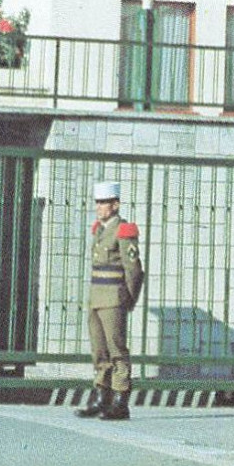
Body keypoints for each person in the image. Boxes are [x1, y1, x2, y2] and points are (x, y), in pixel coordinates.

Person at [76, 180, 145, 420]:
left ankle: (120, 400)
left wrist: (129, 299)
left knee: (116, 350)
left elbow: (134, 270)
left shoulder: (123, 230)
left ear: (115, 205)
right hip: (96, 297)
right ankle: (100, 396)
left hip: (114, 298)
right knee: (99, 351)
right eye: (97, 202)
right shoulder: (99, 230)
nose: (99, 207)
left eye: (104, 203)